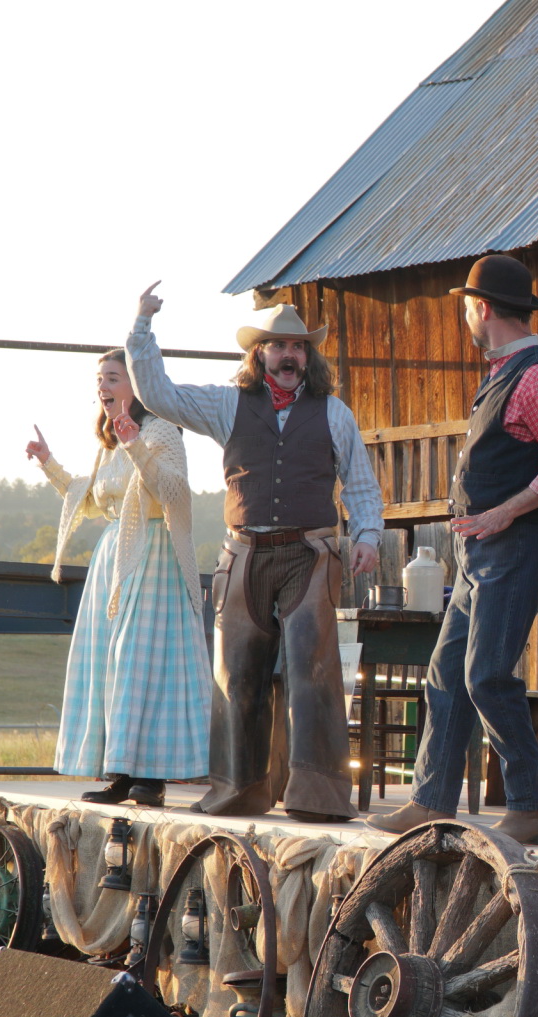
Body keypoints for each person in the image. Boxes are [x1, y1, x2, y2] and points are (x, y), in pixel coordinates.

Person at [125, 284, 385, 822]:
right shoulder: (228, 404)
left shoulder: (334, 412)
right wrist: (143, 326)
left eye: (298, 347)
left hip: (310, 555)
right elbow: (158, 395)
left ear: (307, 358)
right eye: (278, 346)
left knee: (313, 674)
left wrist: (366, 537)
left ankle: (318, 799)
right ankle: (237, 791)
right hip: (243, 555)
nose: (289, 355)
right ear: (259, 354)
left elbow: (359, 484)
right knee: (236, 675)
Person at [365, 256, 538, 846]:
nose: (465, 315)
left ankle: (526, 806)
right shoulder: (504, 372)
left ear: (482, 308)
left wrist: (505, 510)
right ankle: (431, 800)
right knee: (447, 674)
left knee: (487, 676)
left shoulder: (536, 377)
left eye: (466, 305)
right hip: (481, 555)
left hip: (514, 547)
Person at [25, 349, 211, 807]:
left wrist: (136, 447)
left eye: (111, 377)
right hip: (115, 557)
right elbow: (88, 498)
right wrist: (49, 462)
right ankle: (121, 772)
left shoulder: (161, 429)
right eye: (99, 380)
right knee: (109, 665)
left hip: (153, 556)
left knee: (141, 663)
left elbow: (171, 491)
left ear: (136, 386)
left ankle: (153, 775)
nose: (102, 387)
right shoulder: (108, 440)